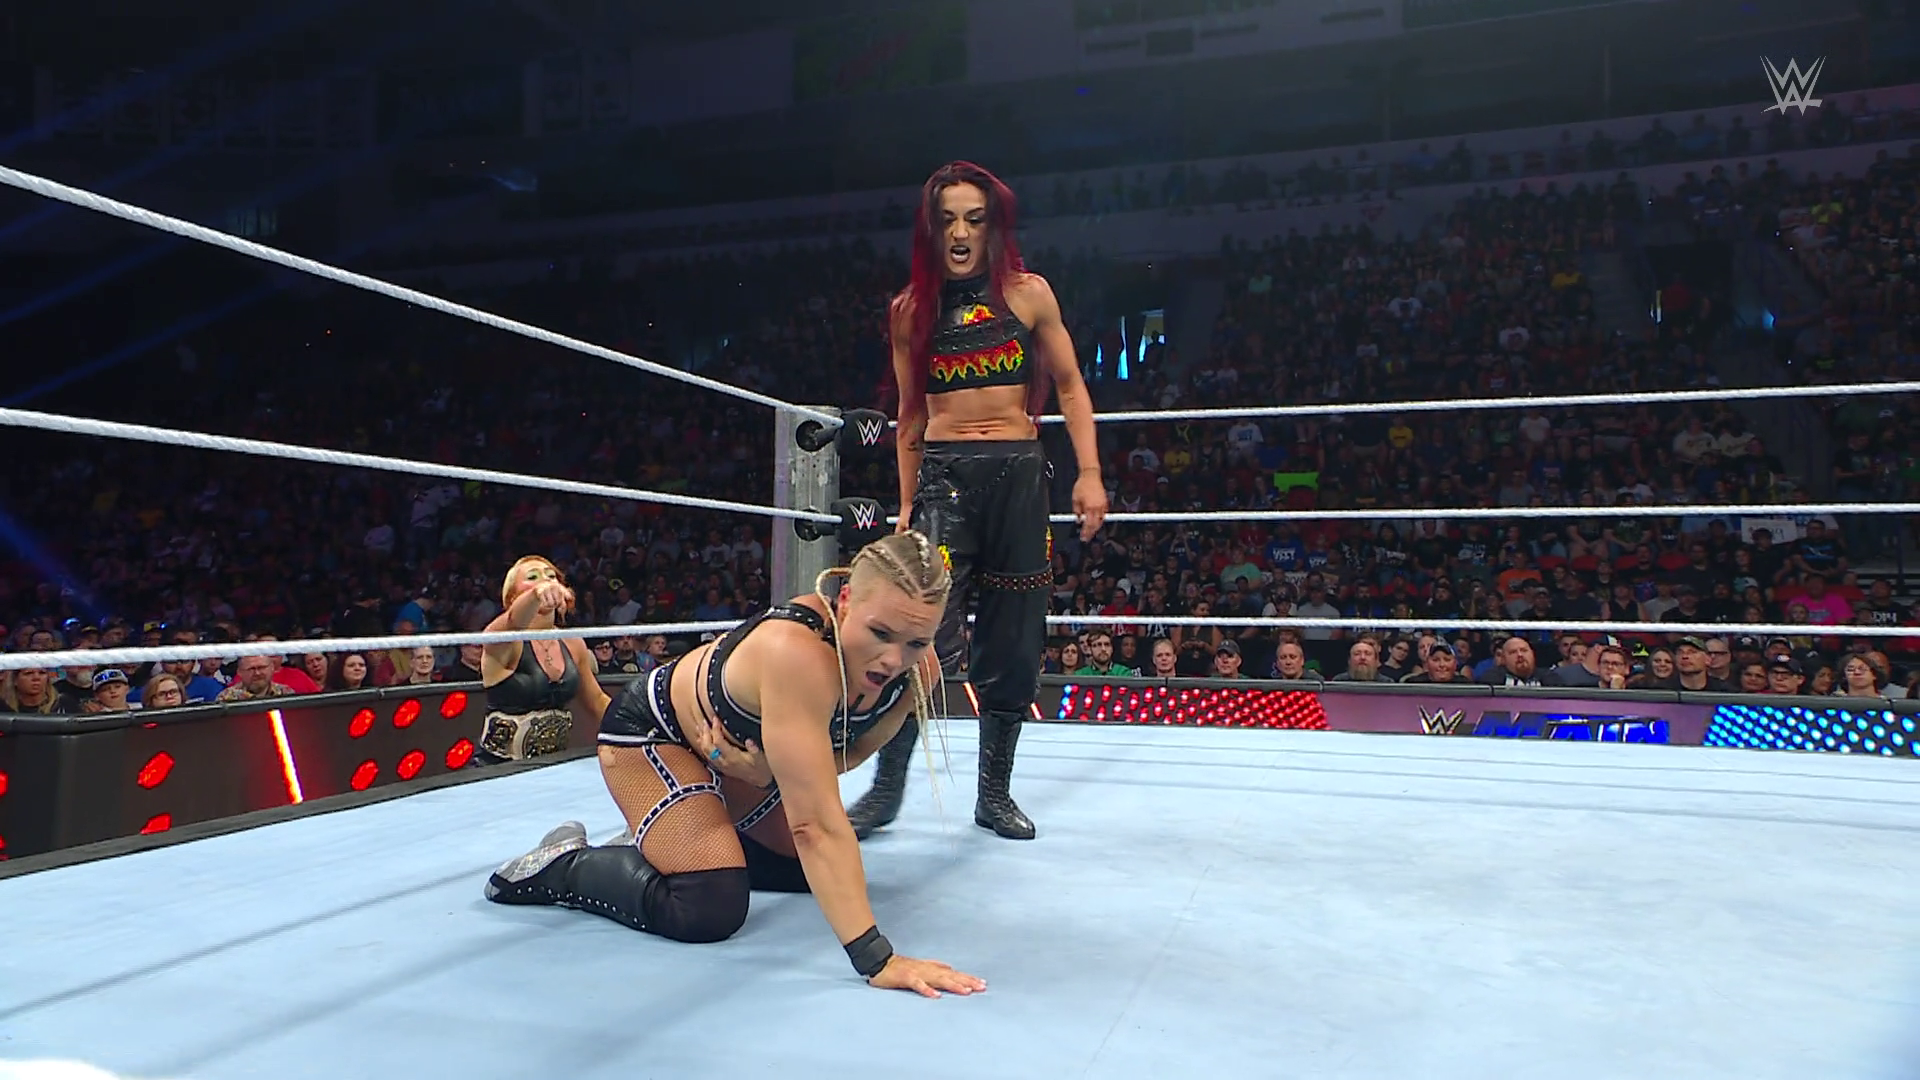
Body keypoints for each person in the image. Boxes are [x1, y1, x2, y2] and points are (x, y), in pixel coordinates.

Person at [485, 531, 985, 998]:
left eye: (916, 641)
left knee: (808, 873)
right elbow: (815, 825)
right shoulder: (799, 654)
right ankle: (562, 865)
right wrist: (877, 959)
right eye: (880, 632)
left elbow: (846, 755)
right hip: (655, 735)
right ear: (846, 601)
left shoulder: (918, 673)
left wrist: (766, 775)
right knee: (710, 903)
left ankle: (669, 837)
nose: (893, 659)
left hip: (738, 763)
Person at [847, 160, 1108, 842]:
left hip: (1018, 472)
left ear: (993, 226)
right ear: (931, 231)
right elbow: (909, 413)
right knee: (919, 627)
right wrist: (907, 505)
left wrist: (1089, 473)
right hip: (945, 476)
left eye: (974, 218)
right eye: (948, 221)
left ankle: (994, 794)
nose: (960, 233)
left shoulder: (1029, 294)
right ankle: (887, 787)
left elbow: (1072, 385)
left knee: (1015, 634)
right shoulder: (910, 311)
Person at [474, 556, 599, 766]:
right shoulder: (505, 639)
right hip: (496, 767)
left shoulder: (572, 642)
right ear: (512, 597)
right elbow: (513, 621)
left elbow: (596, 700)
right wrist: (536, 594)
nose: (545, 580)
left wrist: (636, 730)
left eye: (551, 576)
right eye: (532, 577)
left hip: (550, 768)